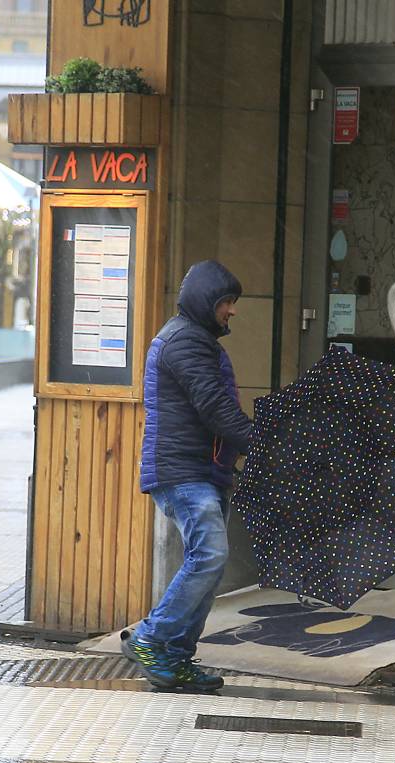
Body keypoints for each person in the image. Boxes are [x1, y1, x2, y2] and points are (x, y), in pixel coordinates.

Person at [123, 260, 253, 692]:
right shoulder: (185, 342)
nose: (232, 311)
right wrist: (262, 444)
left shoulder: (197, 340)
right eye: (227, 303)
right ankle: (151, 637)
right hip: (182, 471)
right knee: (211, 554)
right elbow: (214, 408)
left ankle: (175, 659)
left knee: (209, 563)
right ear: (206, 301)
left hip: (203, 469)